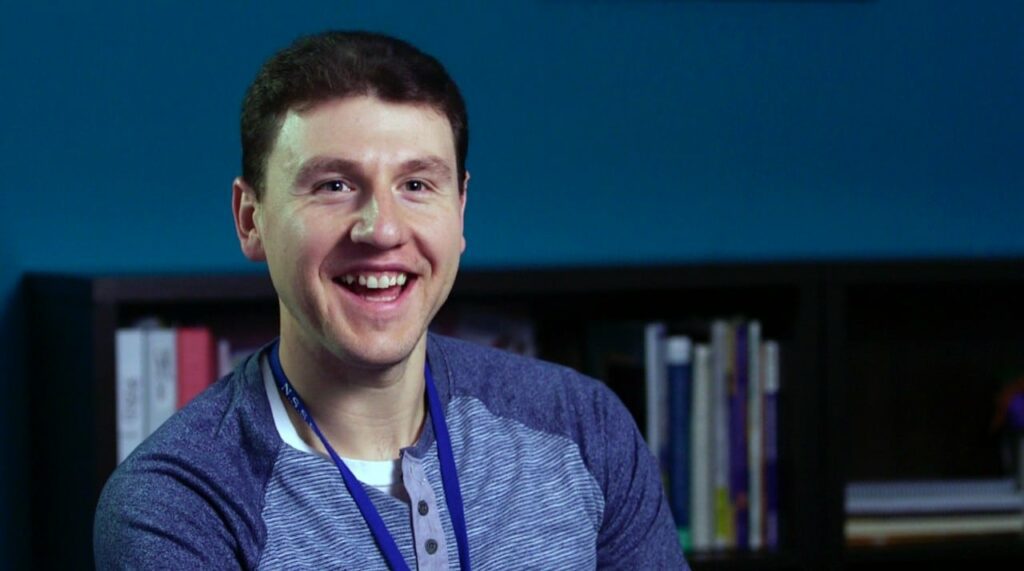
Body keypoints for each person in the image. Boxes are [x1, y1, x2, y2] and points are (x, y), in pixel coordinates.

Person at [94, 30, 687, 570]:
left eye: (416, 185)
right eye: (334, 185)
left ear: (460, 210)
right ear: (251, 220)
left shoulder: (582, 427)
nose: (381, 230)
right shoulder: (178, 504)